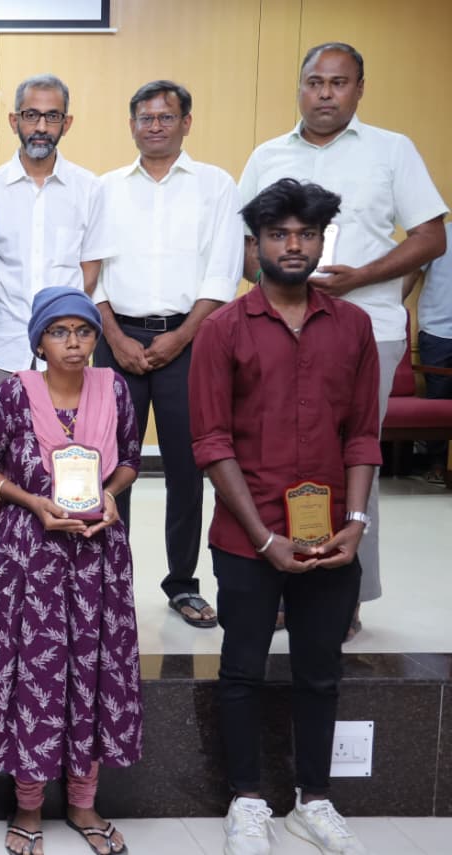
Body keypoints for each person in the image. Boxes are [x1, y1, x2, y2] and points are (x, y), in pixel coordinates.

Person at [192, 178, 379, 855]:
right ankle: (247, 800)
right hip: (247, 536)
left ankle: (314, 800)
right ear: (256, 246)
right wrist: (263, 536)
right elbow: (212, 443)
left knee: (320, 670)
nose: (293, 245)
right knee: (242, 668)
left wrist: (355, 522)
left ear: (322, 240)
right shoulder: (222, 330)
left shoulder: (352, 326)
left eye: (306, 234)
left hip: (330, 536)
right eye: (279, 235)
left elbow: (363, 434)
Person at [237, 43, 448, 634]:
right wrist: (277, 285)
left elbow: (430, 238)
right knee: (278, 456)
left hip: (366, 329)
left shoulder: (391, 150)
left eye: (338, 82)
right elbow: (246, 244)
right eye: (314, 81)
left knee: (355, 461)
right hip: (279, 329)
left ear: (359, 88)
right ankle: (284, 585)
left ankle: (345, 594)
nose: (325, 93)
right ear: (299, 86)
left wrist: (360, 278)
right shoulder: (267, 155)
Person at [0, 286, 141, 855]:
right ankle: (28, 807)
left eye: (84, 331)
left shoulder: (114, 388)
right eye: (59, 332)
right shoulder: (14, 394)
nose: (73, 343)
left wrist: (111, 495)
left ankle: (84, 802)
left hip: (97, 557)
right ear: (39, 341)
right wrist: (31, 501)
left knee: (93, 672)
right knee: (35, 677)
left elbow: (130, 459)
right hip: (29, 559)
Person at [92, 80, 243, 629]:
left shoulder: (216, 186)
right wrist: (114, 337)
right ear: (131, 125)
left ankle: (182, 584)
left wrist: (181, 337)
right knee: (113, 468)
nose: (155, 126)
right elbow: (91, 270)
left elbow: (223, 270)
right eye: (145, 118)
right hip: (116, 339)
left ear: (186, 123)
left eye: (166, 117)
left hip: (191, 340)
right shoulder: (105, 188)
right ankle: (112, 584)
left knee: (186, 470)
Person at [0, 73, 109, 417]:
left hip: (67, 350)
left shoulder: (89, 189)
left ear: (67, 123)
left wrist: (60, 325)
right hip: (1, 348)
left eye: (52, 116)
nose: (40, 126)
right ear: (14, 121)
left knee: (67, 444)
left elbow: (90, 270)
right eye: (31, 115)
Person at [406, 223, 452, 484]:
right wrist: (394, 307)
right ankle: (436, 464)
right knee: (438, 399)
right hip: (437, 331)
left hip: (436, 331)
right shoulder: (440, 234)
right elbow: (413, 272)